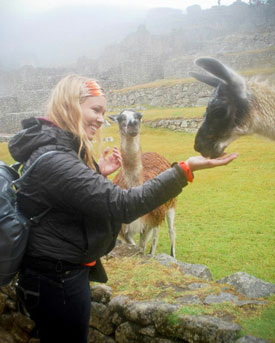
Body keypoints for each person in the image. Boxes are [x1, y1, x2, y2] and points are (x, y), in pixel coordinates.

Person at [8, 75, 238, 343]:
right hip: (57, 279)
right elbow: (122, 205)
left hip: (55, 272)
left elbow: (69, 195)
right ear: (70, 105)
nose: (100, 119)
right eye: (95, 110)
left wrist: (96, 172)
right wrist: (184, 170)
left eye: (104, 113)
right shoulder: (57, 159)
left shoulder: (56, 149)